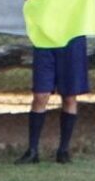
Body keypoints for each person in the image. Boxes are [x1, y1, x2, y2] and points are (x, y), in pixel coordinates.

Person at [16, 35, 87, 164]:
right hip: (45, 39)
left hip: (72, 39)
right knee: (40, 95)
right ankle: (32, 150)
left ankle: (63, 151)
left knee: (69, 97)